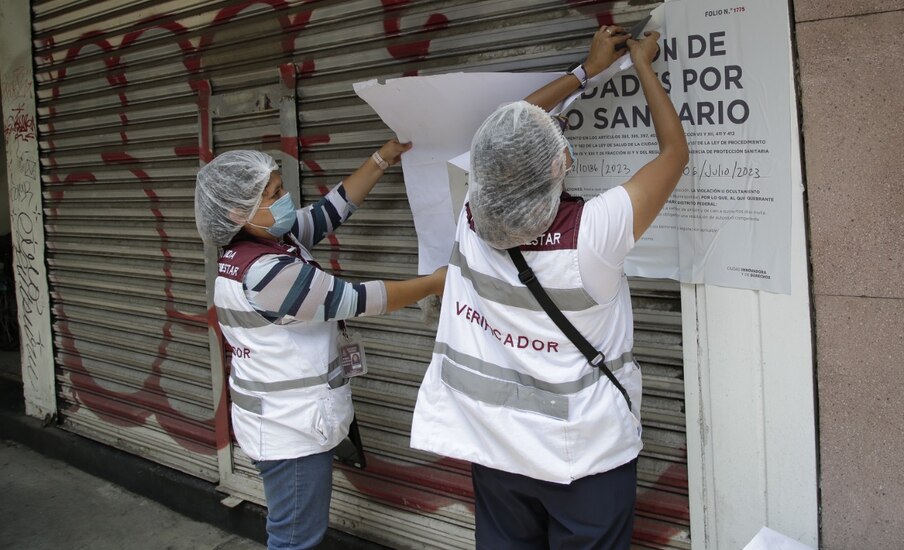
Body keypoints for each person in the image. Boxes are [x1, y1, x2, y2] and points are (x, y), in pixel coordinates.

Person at [409, 26, 688, 549]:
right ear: (562, 166)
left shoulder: (471, 217)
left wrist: (588, 70)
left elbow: (502, 133)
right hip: (583, 459)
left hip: (497, 449)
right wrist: (643, 63)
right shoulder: (591, 235)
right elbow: (673, 154)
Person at [193, 141, 445, 550]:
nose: (285, 198)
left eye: (279, 187)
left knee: (295, 533)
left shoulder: (259, 245)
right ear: (238, 213)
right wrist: (435, 282)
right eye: (273, 194)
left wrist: (381, 160)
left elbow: (329, 211)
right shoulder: (265, 272)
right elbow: (355, 300)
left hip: (283, 421)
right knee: (295, 540)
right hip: (288, 430)